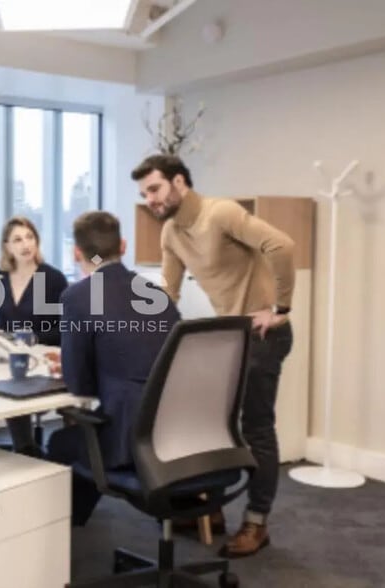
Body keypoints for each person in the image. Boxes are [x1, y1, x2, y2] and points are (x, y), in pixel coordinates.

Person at [132, 154, 295, 557]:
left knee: (256, 428)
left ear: (179, 182)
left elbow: (282, 245)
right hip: (228, 338)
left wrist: (281, 309)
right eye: (143, 193)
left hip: (262, 336)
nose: (149, 199)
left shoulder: (220, 213)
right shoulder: (170, 231)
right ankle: (213, 510)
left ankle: (257, 523)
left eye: (154, 188)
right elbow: (169, 293)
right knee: (211, 424)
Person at [46, 211, 180, 525]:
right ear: (123, 245)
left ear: (76, 253)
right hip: (180, 435)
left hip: (130, 443)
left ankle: (66, 531)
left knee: (60, 443)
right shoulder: (157, 294)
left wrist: (69, 363)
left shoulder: (78, 297)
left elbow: (79, 385)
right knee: (83, 438)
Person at [0, 216, 69, 455]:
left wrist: (35, 338)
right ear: (7, 246)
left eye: (30, 237)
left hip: (42, 358)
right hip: (6, 357)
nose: (25, 244)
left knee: (16, 381)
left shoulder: (52, 278)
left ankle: (28, 449)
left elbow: (67, 328)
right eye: (17, 239)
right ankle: (23, 448)